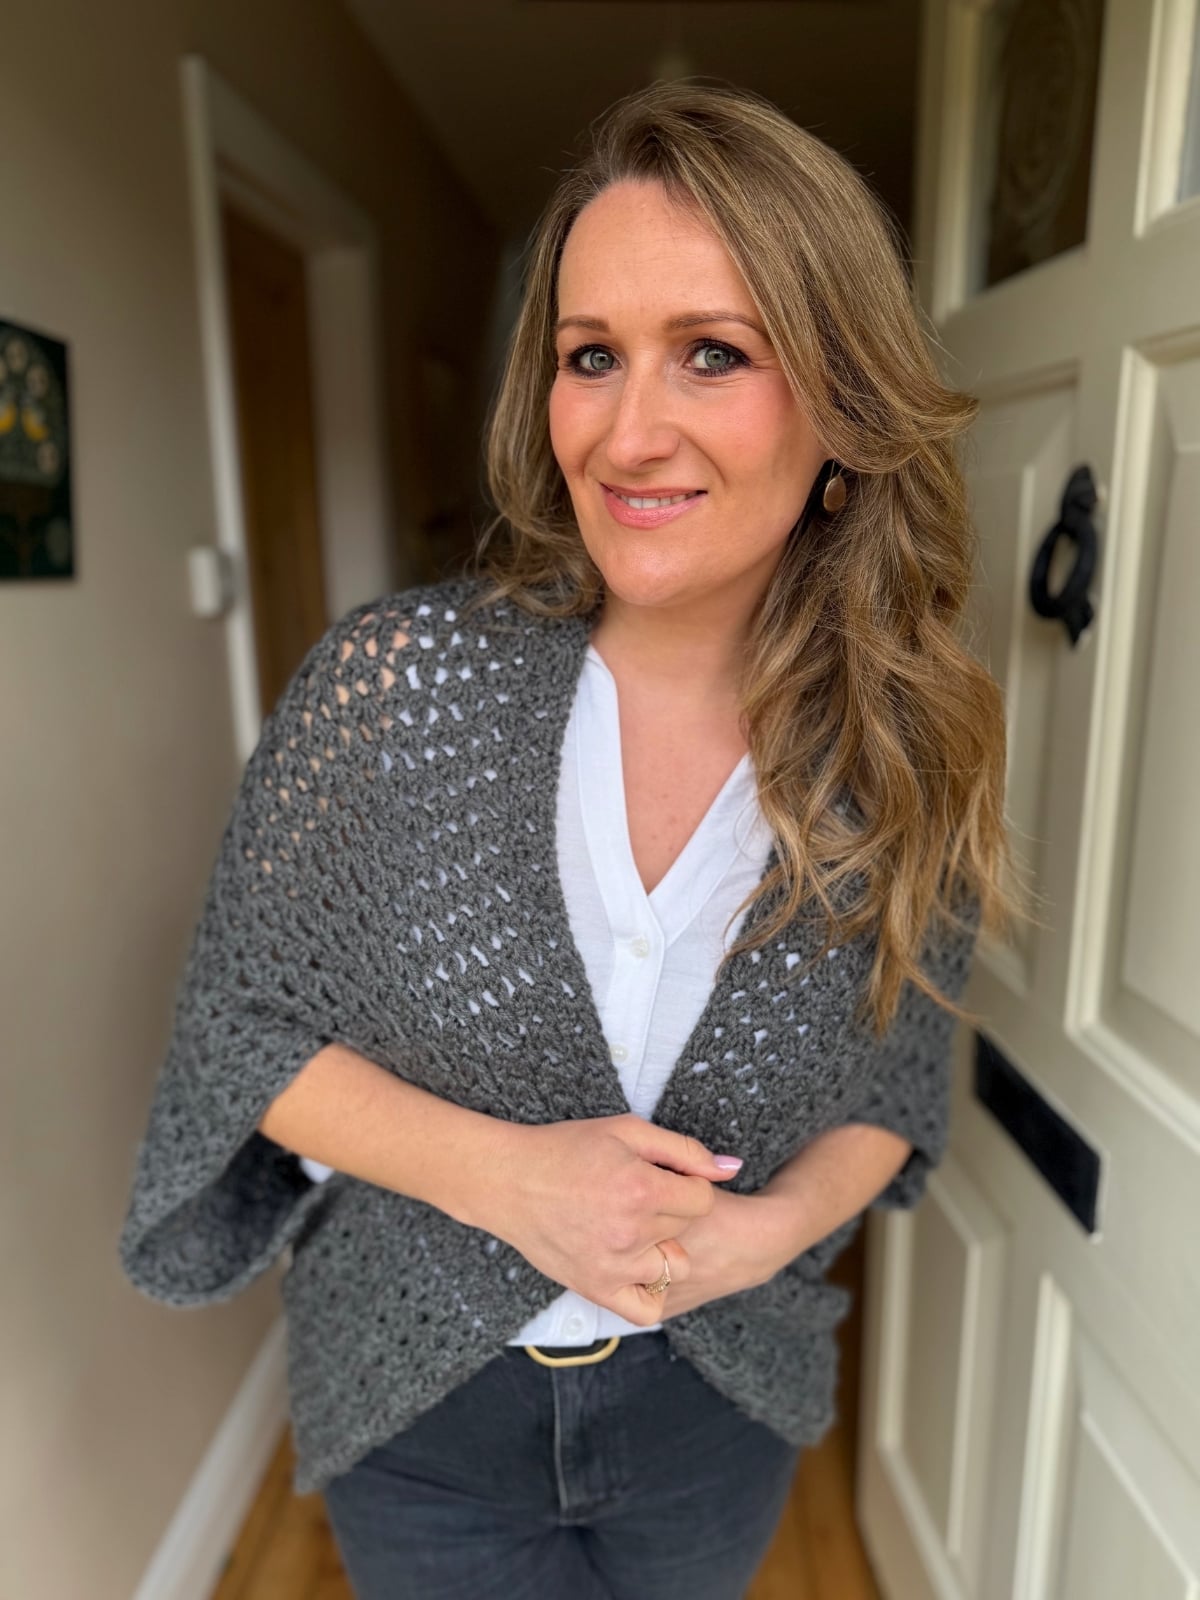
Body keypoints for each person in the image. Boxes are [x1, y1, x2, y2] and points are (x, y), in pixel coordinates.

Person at [118, 81, 1027, 1600]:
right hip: (421, 1394)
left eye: (713, 356)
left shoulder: (900, 749)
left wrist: (769, 1234)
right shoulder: (397, 691)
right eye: (590, 357)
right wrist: (509, 1181)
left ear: (846, 413)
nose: (627, 429)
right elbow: (242, 1038)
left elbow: (895, 1071)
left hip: (715, 1406)